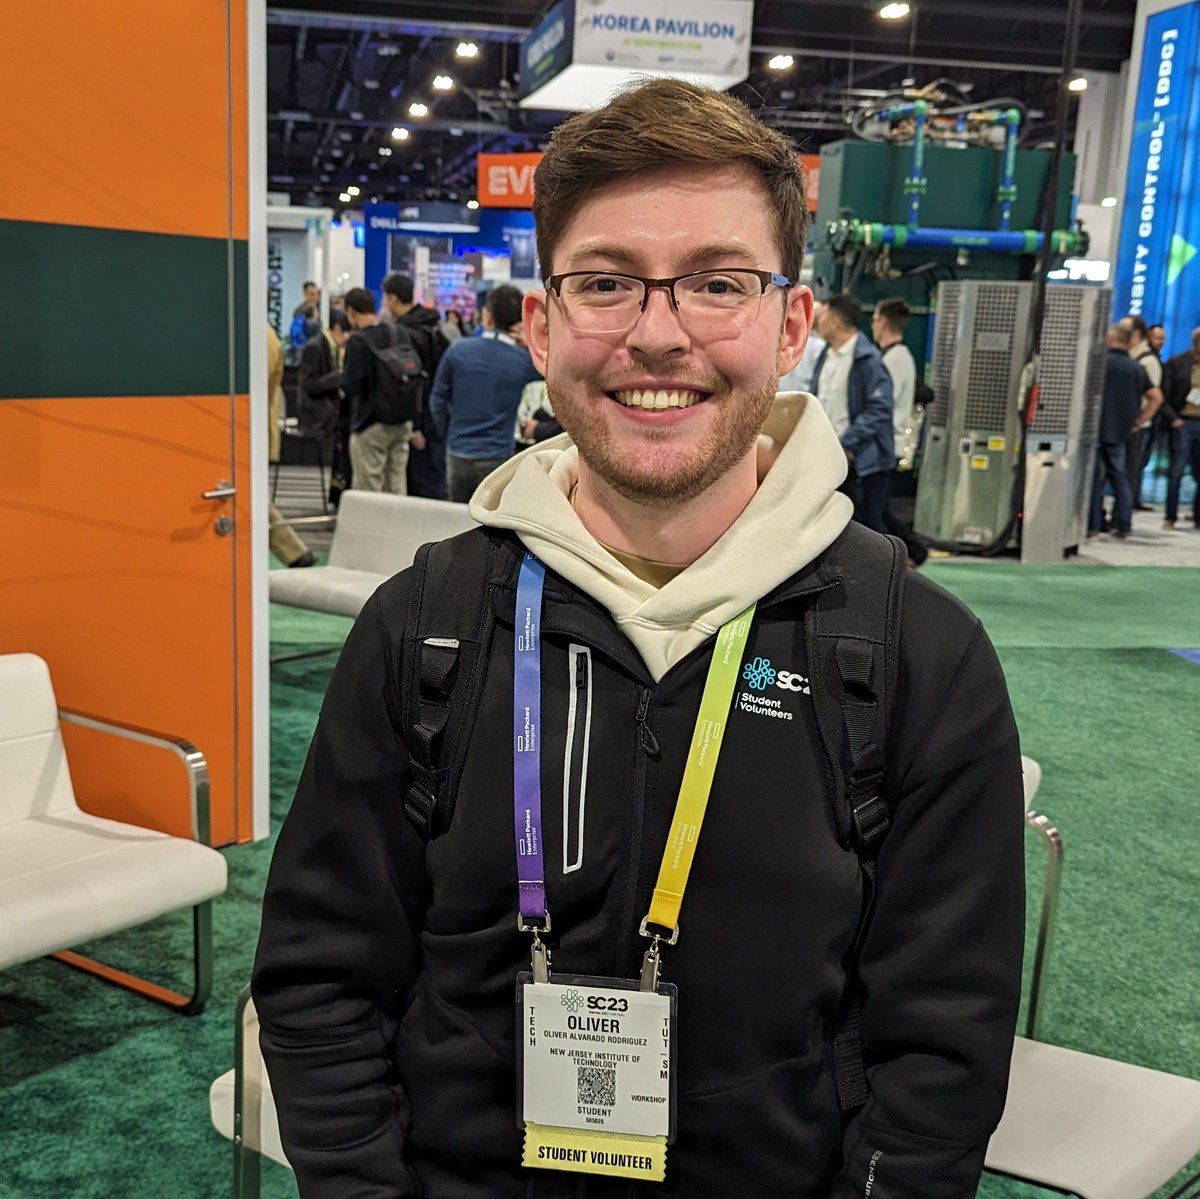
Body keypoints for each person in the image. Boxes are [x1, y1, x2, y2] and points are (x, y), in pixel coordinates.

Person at [253, 78, 1023, 1198]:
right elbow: (321, 976)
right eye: (606, 282)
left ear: (790, 322)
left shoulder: (916, 650)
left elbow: (941, 1050)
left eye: (718, 282)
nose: (659, 336)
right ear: (543, 324)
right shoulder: (428, 623)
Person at [428, 284, 542, 502]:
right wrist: (531, 343)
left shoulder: (457, 350)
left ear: (487, 316)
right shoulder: (523, 361)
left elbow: (437, 402)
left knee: (456, 524)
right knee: (493, 529)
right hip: (498, 458)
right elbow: (555, 372)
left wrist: (449, 434)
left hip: (458, 453)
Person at [811, 294, 897, 534]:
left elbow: (879, 408)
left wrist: (848, 443)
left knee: (869, 527)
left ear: (836, 321)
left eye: (824, 316)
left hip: (862, 460)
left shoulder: (868, 361)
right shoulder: (825, 355)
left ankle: (891, 567)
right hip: (831, 455)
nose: (819, 323)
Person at [341, 286, 420, 495]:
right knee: (396, 483)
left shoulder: (357, 341)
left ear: (351, 311)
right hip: (403, 420)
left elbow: (351, 386)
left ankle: (371, 528)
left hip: (371, 424)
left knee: (369, 488)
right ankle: (399, 528)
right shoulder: (399, 332)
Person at [1088, 323, 1162, 539]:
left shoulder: (1099, 364)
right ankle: (1124, 526)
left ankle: (1092, 525)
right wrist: (1139, 420)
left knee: (1093, 479)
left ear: (1110, 339)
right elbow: (1156, 398)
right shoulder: (1136, 368)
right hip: (1121, 431)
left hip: (1095, 429)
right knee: (1120, 478)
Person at [382, 273, 451, 499]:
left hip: (420, 420)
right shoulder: (433, 326)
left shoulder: (406, 333)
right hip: (439, 415)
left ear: (393, 298)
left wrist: (416, 426)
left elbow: (414, 383)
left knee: (421, 484)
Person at [870, 298, 928, 566]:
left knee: (873, 511)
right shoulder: (899, 357)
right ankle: (913, 552)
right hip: (887, 443)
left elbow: (880, 405)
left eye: (874, 319)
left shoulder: (894, 359)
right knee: (878, 508)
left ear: (883, 322)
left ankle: (908, 553)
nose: (873, 325)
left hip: (884, 445)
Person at [265, 323, 315, 568]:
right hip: (259, 427)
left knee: (249, 496)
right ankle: (295, 551)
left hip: (249, 431)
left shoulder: (258, 335)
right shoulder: (268, 336)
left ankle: (294, 551)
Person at [1120, 315, 1164, 509]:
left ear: (1136, 333)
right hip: (1120, 424)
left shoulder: (1147, 361)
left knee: (1130, 472)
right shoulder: (1127, 355)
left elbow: (1155, 397)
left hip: (1137, 428)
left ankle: (1123, 517)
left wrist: (1138, 421)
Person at [1161, 325, 1200, 531]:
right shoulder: (1177, 363)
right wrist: (1174, 419)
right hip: (1183, 422)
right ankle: (1170, 517)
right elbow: (1164, 396)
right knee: (1176, 472)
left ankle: (1198, 518)